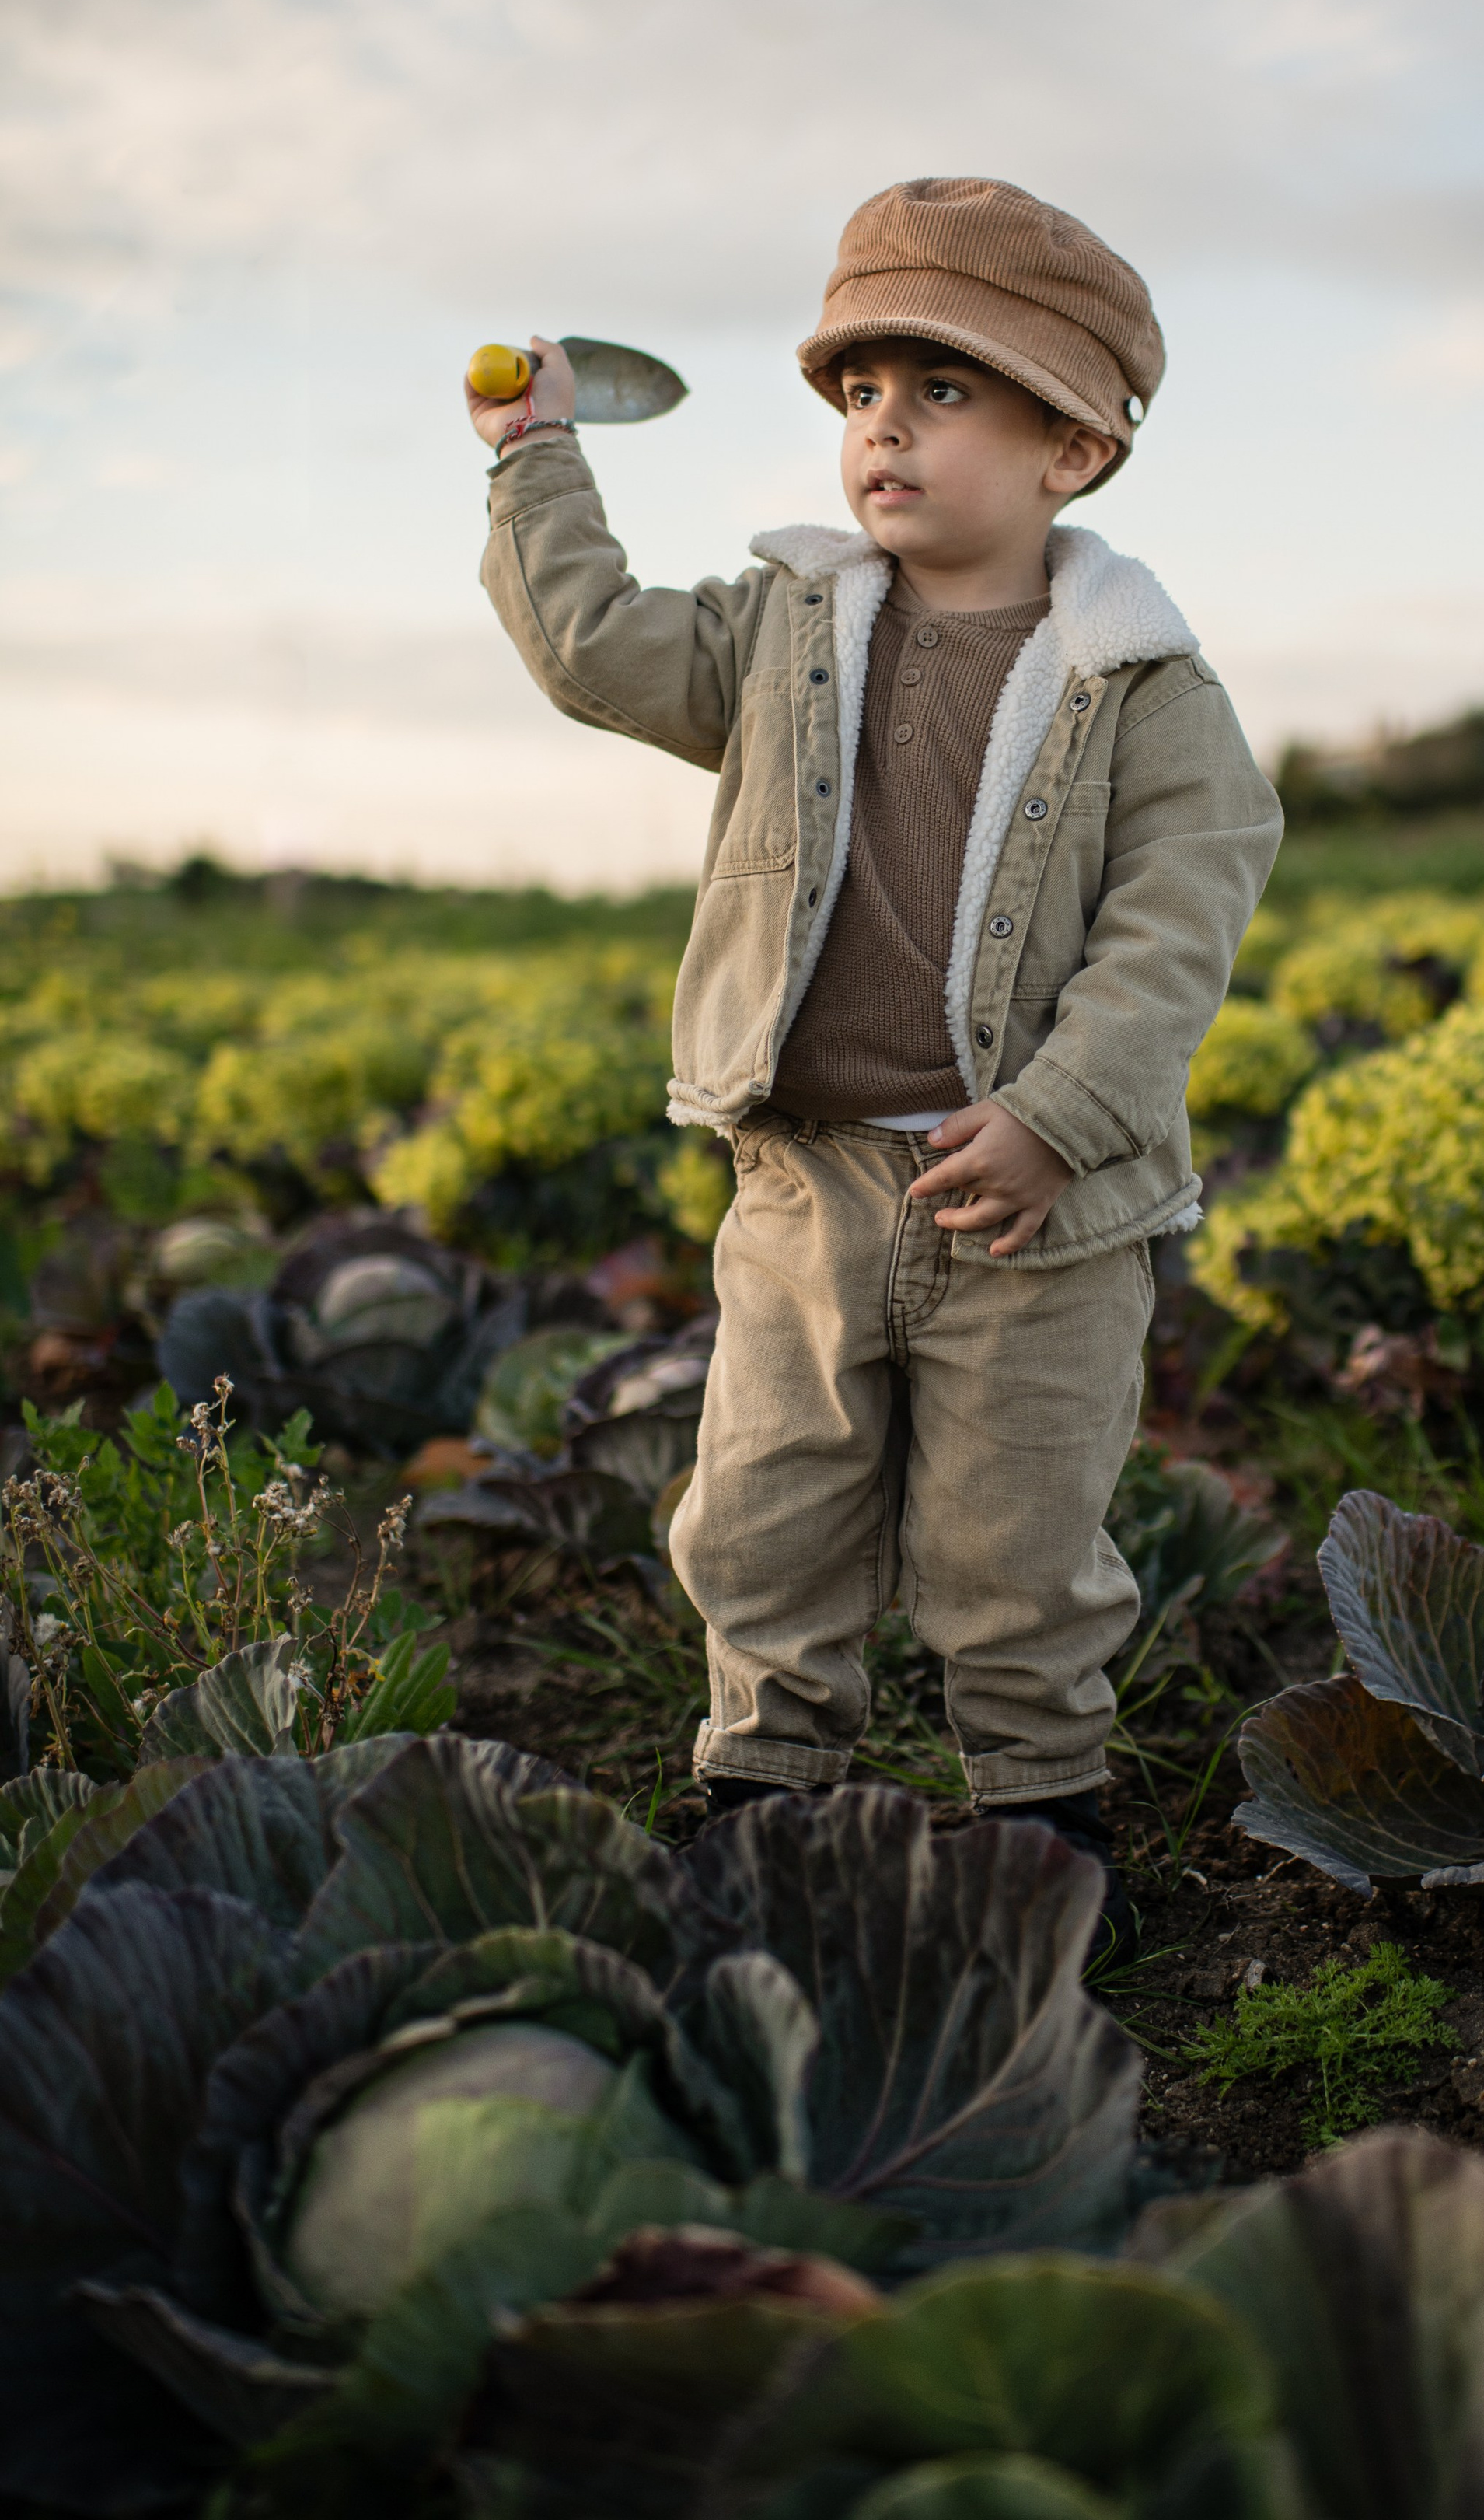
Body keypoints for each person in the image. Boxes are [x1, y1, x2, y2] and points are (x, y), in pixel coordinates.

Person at [468, 175, 1281, 1951]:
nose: (883, 429)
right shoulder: (779, 633)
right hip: (809, 1174)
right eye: (858, 394)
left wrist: (1064, 1115)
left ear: (1072, 448)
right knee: (764, 1504)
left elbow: (1177, 923)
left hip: (1036, 1205)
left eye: (940, 391)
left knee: (1020, 1537)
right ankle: (762, 1781)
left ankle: (1041, 1812)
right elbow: (596, 650)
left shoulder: (1144, 686)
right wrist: (534, 457)